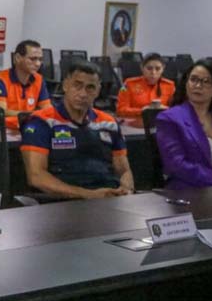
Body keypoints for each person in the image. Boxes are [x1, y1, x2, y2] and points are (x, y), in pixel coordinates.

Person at [21, 60, 134, 199]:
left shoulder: (109, 123)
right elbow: (36, 177)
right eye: (77, 85)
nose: (83, 94)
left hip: (107, 197)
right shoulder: (41, 121)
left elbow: (124, 171)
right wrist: (88, 195)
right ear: (65, 85)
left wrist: (126, 188)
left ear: (98, 91)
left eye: (90, 87)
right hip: (64, 202)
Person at [155, 60, 212, 189]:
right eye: (193, 79)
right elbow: (175, 164)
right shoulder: (170, 118)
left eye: (206, 81)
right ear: (186, 84)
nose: (198, 85)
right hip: (188, 190)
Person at [0, 39, 51, 130]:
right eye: (33, 59)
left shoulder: (39, 79)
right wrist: (32, 114)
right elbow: (1, 112)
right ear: (18, 58)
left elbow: (47, 110)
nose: (38, 64)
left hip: (30, 128)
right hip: (4, 130)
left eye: (40, 59)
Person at [116, 52, 175, 117]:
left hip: (161, 123)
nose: (153, 72)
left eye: (158, 69)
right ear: (142, 68)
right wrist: (143, 111)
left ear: (163, 69)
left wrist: (164, 109)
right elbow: (121, 110)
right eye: (149, 68)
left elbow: (176, 110)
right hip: (134, 123)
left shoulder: (169, 86)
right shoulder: (129, 84)